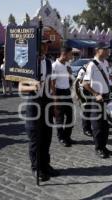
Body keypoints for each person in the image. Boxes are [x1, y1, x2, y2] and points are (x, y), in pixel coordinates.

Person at [18, 39, 58, 182]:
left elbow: (51, 84)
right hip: (33, 103)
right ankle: (36, 168)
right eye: (43, 44)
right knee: (35, 138)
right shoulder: (28, 63)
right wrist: (32, 87)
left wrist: (54, 104)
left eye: (47, 45)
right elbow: (21, 87)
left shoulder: (48, 62)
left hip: (46, 102)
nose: (46, 47)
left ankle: (45, 165)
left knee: (47, 137)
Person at [83, 42, 111, 159]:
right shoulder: (92, 65)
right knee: (98, 125)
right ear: (98, 50)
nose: (107, 51)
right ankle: (98, 148)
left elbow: (106, 79)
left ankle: (104, 146)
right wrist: (95, 94)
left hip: (106, 96)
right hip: (97, 99)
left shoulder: (105, 63)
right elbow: (85, 83)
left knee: (105, 125)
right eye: (105, 49)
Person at [51, 45, 76, 147]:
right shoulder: (54, 66)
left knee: (70, 117)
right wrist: (55, 98)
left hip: (67, 92)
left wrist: (70, 74)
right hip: (59, 93)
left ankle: (67, 136)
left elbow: (70, 80)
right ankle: (61, 137)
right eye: (70, 54)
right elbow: (52, 83)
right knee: (60, 118)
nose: (72, 56)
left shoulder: (67, 64)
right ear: (64, 54)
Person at [75, 62, 93, 137]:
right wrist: (78, 95)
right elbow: (77, 82)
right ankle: (86, 129)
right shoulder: (83, 70)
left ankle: (90, 127)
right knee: (86, 111)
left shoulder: (91, 69)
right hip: (84, 92)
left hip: (90, 90)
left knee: (90, 110)